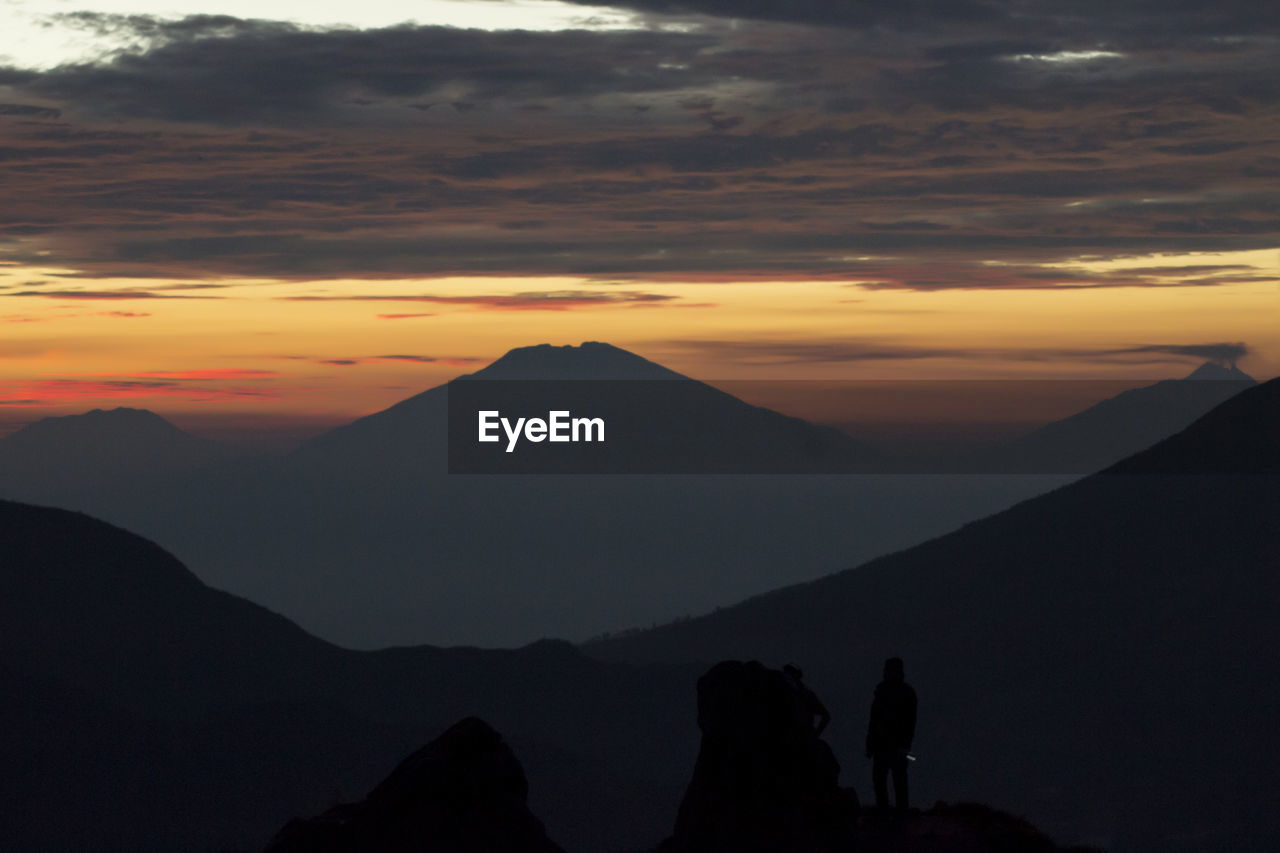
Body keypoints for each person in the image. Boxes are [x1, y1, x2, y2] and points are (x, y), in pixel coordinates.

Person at [865, 656, 917, 812]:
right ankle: (886, 811)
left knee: (897, 779)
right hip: (882, 743)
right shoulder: (882, 691)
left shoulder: (905, 692)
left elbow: (910, 722)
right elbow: (874, 718)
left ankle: (899, 813)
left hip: (896, 744)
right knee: (880, 779)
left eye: (889, 669)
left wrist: (905, 744)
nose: (886, 673)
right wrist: (870, 742)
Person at [783, 663, 831, 736]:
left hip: (804, 737)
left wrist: (815, 735)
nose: (788, 676)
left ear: (797, 676)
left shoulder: (807, 695)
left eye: (791, 673)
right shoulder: (781, 692)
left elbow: (826, 715)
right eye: (786, 673)